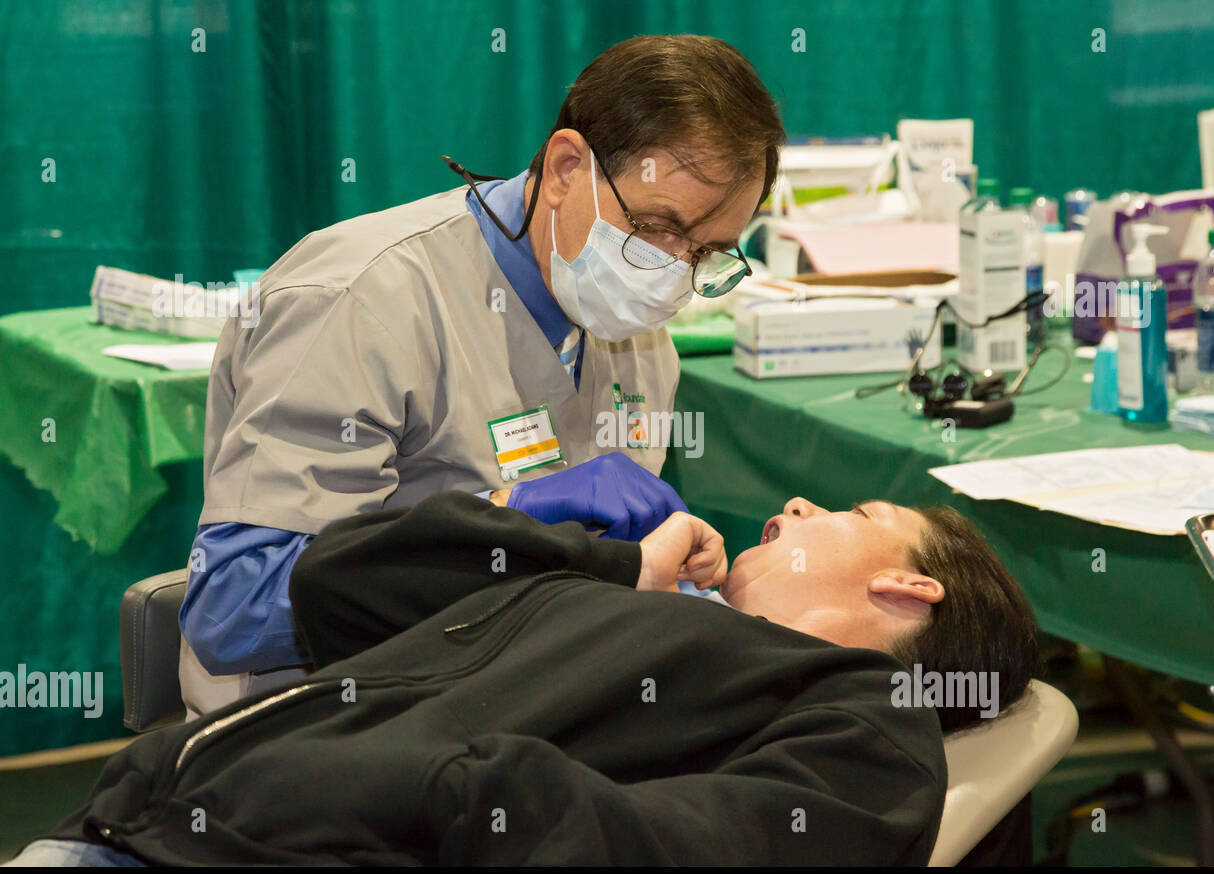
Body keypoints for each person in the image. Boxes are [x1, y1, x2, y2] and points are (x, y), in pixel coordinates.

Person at [176, 34, 786, 716]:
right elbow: (232, 610)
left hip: (520, 701)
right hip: (327, 719)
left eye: (707, 252)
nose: (673, 272)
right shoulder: (357, 302)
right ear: (564, 168)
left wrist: (653, 567)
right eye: (654, 228)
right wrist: (502, 524)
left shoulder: (635, 336)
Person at [7, 490, 1038, 866]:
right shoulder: (631, 602)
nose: (795, 505)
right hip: (137, 823)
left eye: (847, 516)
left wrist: (447, 786)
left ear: (909, 587)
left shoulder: (864, 722)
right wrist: (598, 558)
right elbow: (340, 580)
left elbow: (682, 850)